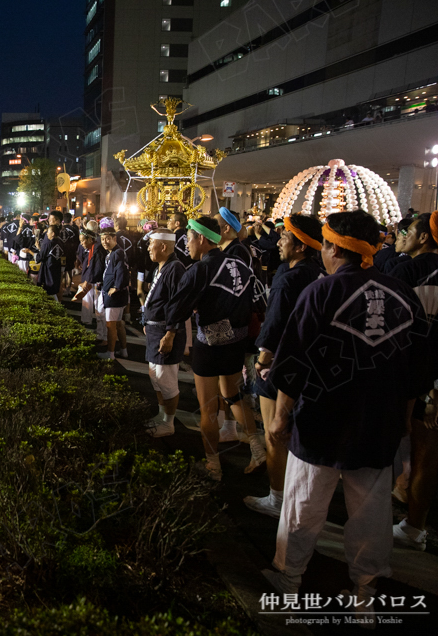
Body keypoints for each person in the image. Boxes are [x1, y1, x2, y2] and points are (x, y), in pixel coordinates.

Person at [261, 211, 430, 620]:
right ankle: (365, 595)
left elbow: (293, 361)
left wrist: (281, 418)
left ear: (334, 247)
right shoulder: (404, 294)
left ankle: (290, 578)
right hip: (380, 424)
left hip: (322, 420)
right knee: (372, 514)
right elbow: (419, 369)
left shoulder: (321, 293)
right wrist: (405, 417)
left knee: (304, 504)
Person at [161, 216, 265, 480]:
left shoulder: (201, 269)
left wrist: (171, 332)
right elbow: (259, 302)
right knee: (232, 394)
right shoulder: (242, 265)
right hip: (236, 341)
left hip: (209, 342)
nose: (188, 245)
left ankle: (213, 465)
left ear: (202, 239)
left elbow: (177, 307)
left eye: (190, 239)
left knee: (207, 408)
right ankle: (256, 445)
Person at [244, 214, 324, 518]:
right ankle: (293, 495)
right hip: (308, 365)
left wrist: (262, 360)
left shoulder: (287, 277)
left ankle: (277, 498)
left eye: (284, 237)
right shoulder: (317, 274)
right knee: (294, 433)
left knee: (274, 434)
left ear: (301, 246)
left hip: (280, 365)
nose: (278, 242)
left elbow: (275, 324)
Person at [387, 212, 438, 550]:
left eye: (407, 230)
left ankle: (375, 519)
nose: (400, 234)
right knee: (426, 454)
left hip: (401, 375)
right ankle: (414, 527)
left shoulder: (406, 271)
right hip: (430, 381)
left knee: (390, 445)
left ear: (423, 238)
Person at [141, 228, 187, 437]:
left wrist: (170, 334)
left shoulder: (175, 268)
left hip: (164, 332)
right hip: (154, 329)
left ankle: (168, 422)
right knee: (155, 377)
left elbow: (178, 305)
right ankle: (161, 416)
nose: (148, 247)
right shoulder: (162, 267)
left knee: (165, 379)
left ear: (163, 246)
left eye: (151, 244)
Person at [98, 225, 129, 360]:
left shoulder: (117, 253)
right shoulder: (114, 252)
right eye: (103, 239)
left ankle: (110, 354)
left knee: (111, 325)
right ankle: (123, 350)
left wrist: (116, 287)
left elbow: (121, 270)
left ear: (114, 238)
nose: (105, 242)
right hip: (119, 295)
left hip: (114, 296)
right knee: (118, 324)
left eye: (108, 239)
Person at [34, 223, 64, 299]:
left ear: (53, 233)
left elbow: (39, 258)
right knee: (53, 290)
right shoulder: (60, 242)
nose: (47, 234)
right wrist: (39, 248)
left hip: (48, 270)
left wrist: (31, 252)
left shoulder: (48, 243)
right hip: (56, 269)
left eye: (48, 232)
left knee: (49, 292)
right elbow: (48, 254)